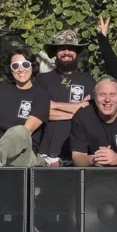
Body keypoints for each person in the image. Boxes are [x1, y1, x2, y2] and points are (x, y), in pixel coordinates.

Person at [37, 29, 96, 166]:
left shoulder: (88, 80)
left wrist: (55, 105)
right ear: (55, 52)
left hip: (79, 153)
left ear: (77, 53)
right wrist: (78, 109)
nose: (67, 53)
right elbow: (42, 112)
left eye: (71, 49)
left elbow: (90, 113)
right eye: (62, 48)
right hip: (48, 153)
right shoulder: (42, 80)